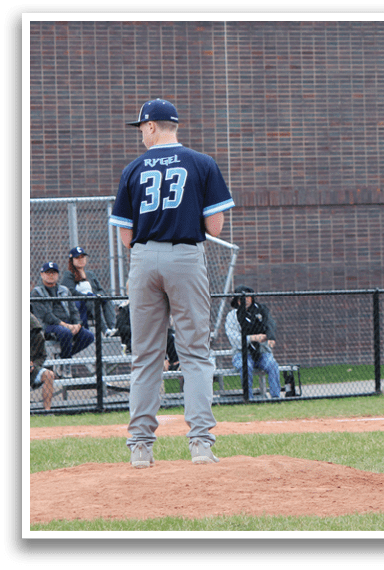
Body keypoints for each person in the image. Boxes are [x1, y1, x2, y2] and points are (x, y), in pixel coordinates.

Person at [109, 98, 234, 468]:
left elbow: (126, 237)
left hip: (144, 259)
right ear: (173, 126)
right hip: (185, 256)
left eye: (141, 129)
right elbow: (215, 227)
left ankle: (141, 448)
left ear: (151, 127)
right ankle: (200, 444)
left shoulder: (133, 169)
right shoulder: (202, 163)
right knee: (195, 353)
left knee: (146, 355)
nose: (141, 135)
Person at [224, 286, 283, 398]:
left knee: (272, 365)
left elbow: (270, 324)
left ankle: (276, 397)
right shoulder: (232, 316)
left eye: (248, 297)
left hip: (261, 352)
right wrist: (253, 338)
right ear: (237, 300)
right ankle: (248, 398)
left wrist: (270, 337)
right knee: (246, 366)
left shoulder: (260, 311)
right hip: (241, 353)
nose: (245, 300)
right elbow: (233, 337)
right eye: (242, 298)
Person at [31, 261, 95, 360]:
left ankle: (63, 358)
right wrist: (66, 325)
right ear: (42, 274)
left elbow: (74, 311)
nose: (51, 275)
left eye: (54, 272)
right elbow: (46, 316)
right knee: (65, 332)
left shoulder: (64, 290)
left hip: (67, 325)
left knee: (89, 336)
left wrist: (77, 324)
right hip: (48, 326)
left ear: (57, 275)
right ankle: (66, 365)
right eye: (48, 272)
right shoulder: (37, 292)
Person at [59, 246, 116, 334]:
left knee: (107, 299)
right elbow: (70, 291)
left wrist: (98, 295)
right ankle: (105, 330)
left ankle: (113, 328)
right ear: (72, 260)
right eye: (77, 258)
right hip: (81, 305)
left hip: (94, 300)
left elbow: (100, 289)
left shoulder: (90, 274)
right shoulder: (68, 275)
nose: (81, 259)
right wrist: (87, 296)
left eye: (83, 257)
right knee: (91, 299)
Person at [30, 312, 56, 411]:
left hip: (31, 370)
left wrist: (33, 364)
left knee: (49, 374)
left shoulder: (37, 336)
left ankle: (47, 411)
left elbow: (42, 355)